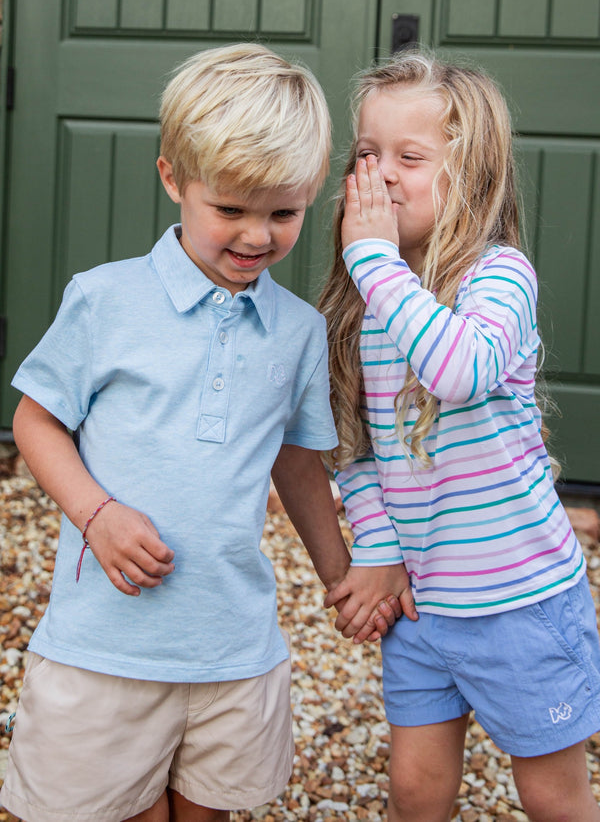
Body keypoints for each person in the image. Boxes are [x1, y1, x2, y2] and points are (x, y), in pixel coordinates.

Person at [0, 43, 400, 822]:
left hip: (231, 650)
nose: (257, 237)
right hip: (105, 648)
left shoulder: (298, 330)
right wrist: (96, 514)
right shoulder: (105, 299)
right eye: (231, 210)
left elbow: (296, 459)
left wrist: (337, 574)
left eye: (283, 213)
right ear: (173, 179)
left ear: (315, 193)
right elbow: (35, 419)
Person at [319, 48, 600, 822]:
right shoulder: (369, 306)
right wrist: (376, 548)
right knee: (415, 787)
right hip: (426, 604)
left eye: (410, 157)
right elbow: (358, 450)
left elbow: (460, 370)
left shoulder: (499, 277)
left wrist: (373, 260)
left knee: (550, 793)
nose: (380, 175)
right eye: (368, 154)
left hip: (521, 601)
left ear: (470, 176)